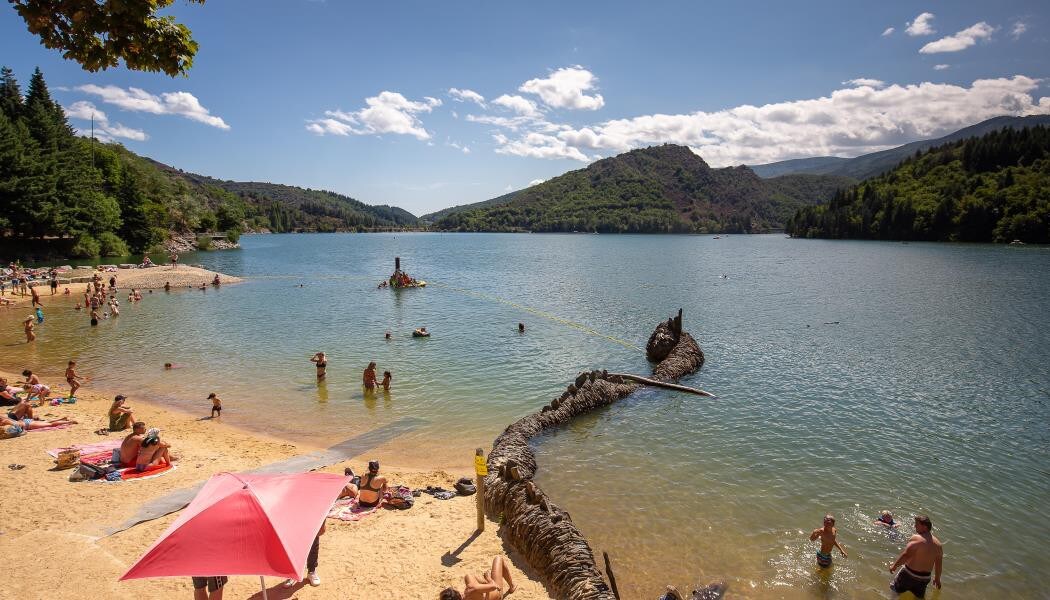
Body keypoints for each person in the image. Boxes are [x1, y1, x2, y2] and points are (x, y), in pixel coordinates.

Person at [889, 515, 943, 597]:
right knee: (918, 597)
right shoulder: (938, 545)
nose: (915, 526)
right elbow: (938, 564)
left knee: (895, 590)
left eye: (917, 524)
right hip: (924, 578)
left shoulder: (916, 538)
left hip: (908, 574)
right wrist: (937, 579)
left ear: (924, 527)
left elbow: (906, 555)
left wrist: (894, 566)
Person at [440, 555, 517, 600]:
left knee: (469, 577)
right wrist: (488, 579)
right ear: (456, 593)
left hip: (485, 594)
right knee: (498, 559)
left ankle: (486, 586)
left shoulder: (471, 588)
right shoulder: (472, 588)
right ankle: (512, 586)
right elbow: (494, 587)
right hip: (497, 595)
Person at [283, 524, 324, 588]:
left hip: (313, 519)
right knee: (295, 544)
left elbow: (322, 513)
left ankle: (311, 571)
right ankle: (294, 574)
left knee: (313, 543)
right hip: (295, 519)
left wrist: (322, 524)